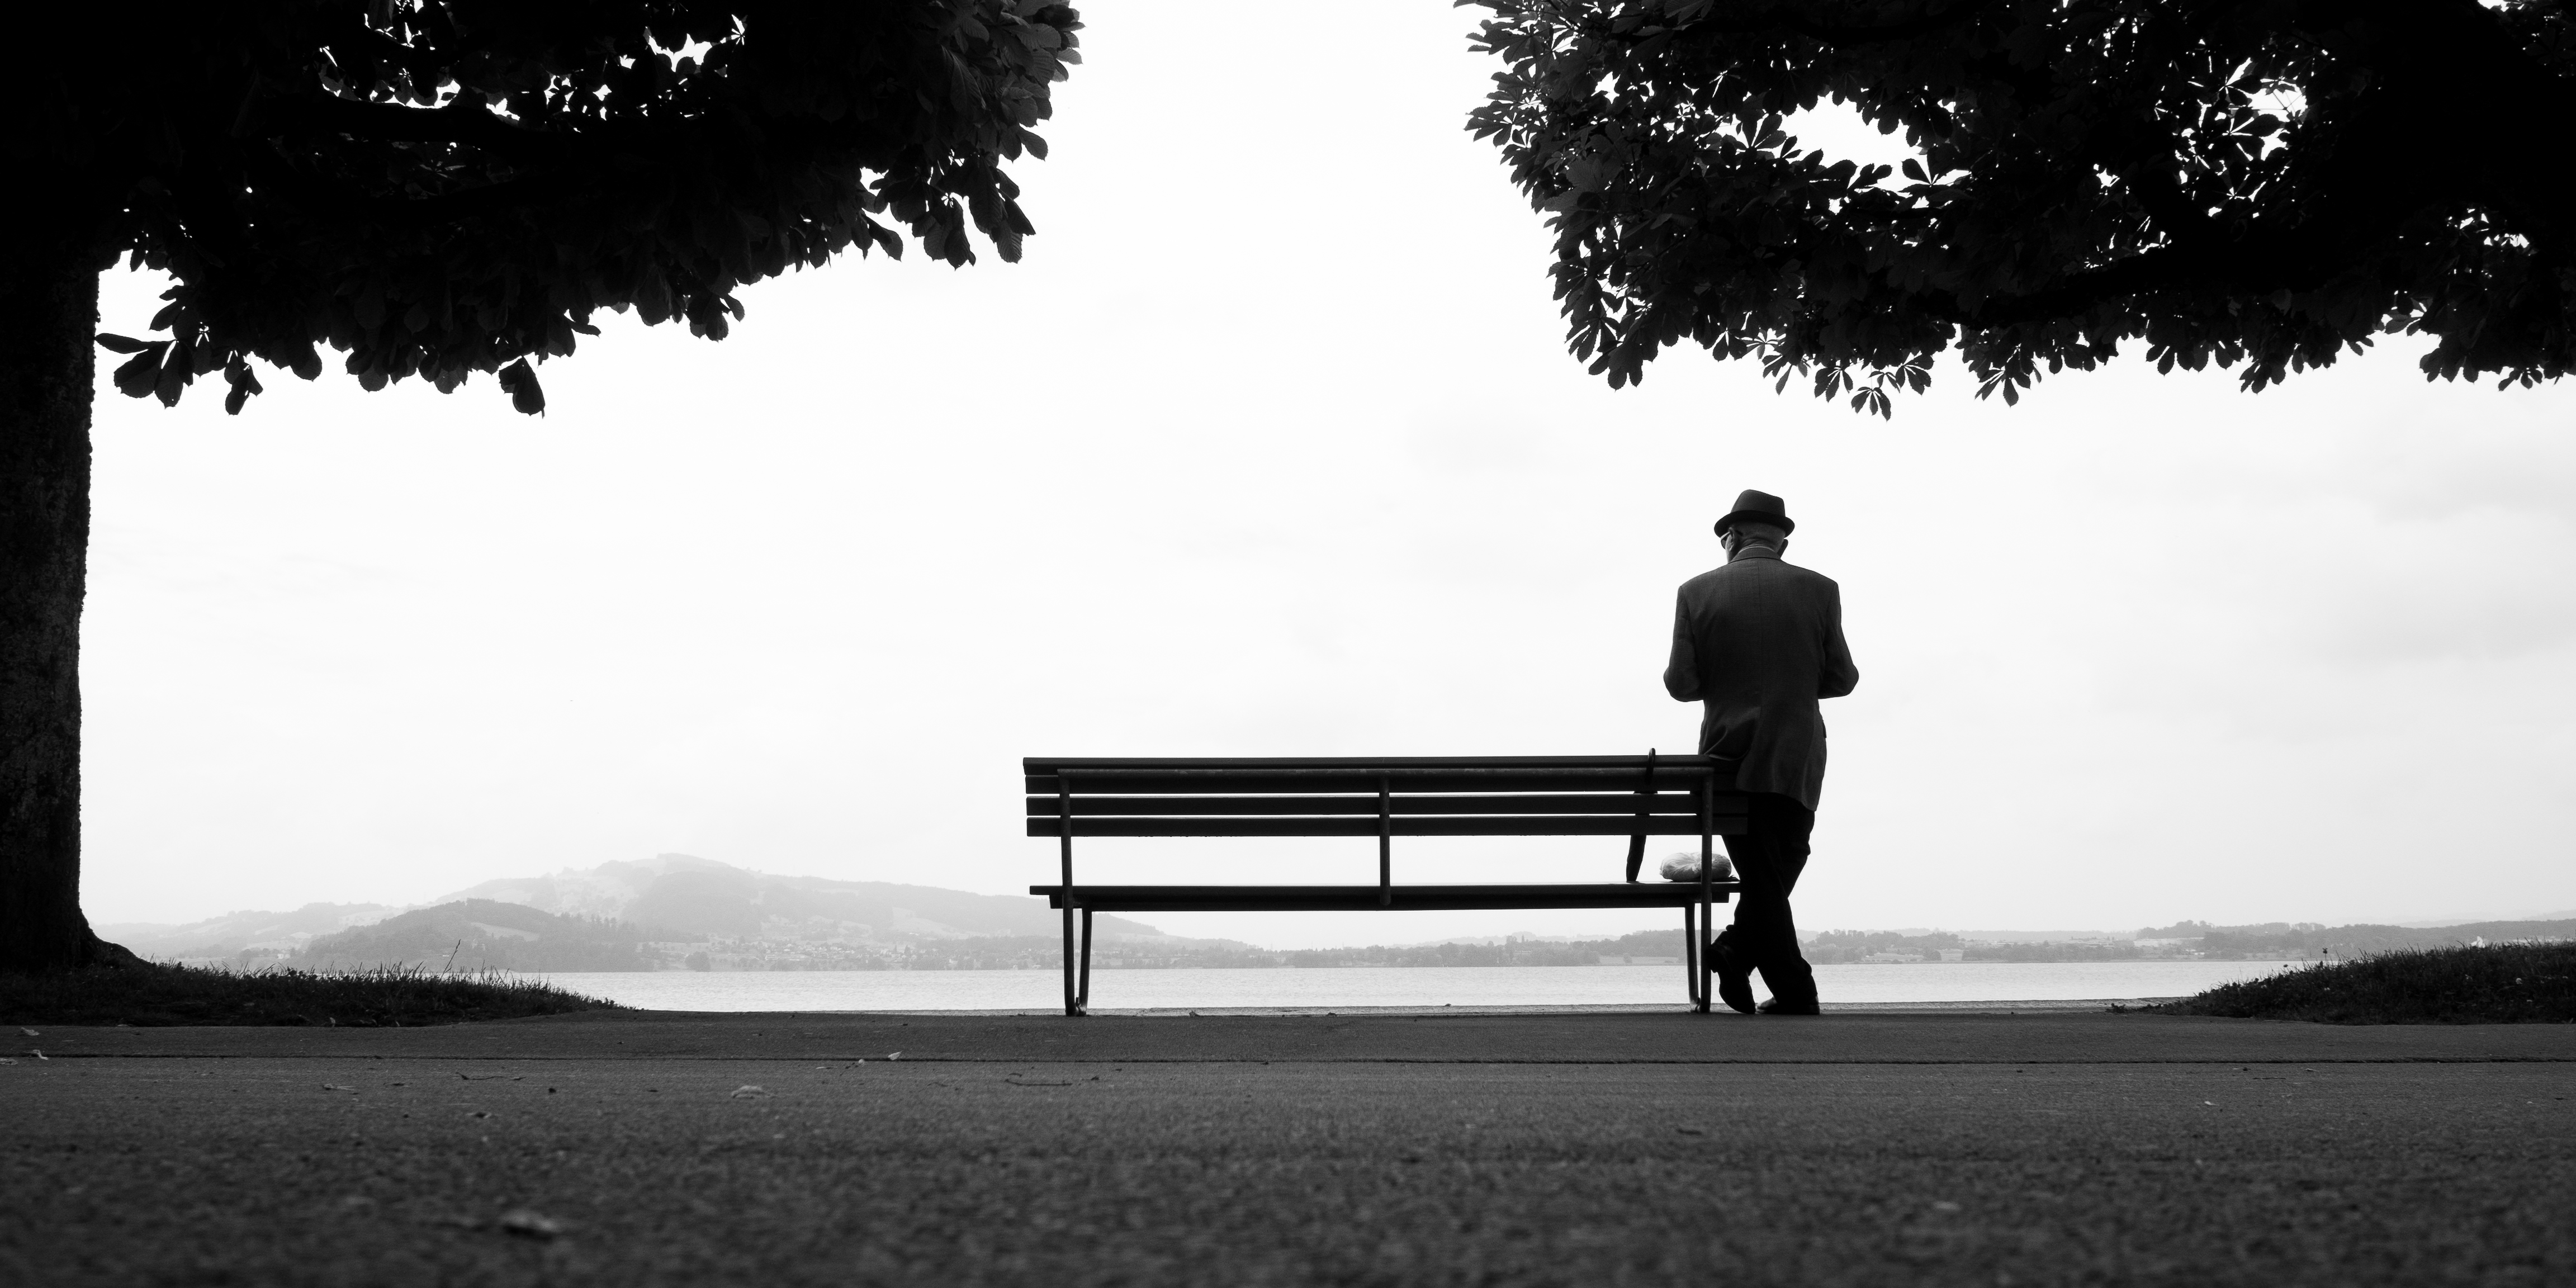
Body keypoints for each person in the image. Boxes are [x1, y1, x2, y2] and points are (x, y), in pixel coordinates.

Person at [1663, 490, 1858, 1015]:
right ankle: (1791, 987)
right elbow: (1843, 679)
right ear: (1782, 541)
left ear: (1732, 538)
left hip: (1727, 759)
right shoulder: (1820, 590)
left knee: (1767, 869)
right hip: (1795, 755)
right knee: (1784, 861)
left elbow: (1681, 684)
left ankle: (1738, 952)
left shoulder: (1695, 592)